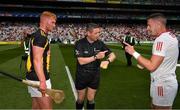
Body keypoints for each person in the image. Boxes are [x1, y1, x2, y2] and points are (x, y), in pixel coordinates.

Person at [124, 13, 178, 109]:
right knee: (153, 106)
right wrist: (145, 64)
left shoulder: (161, 40)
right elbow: (161, 59)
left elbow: (152, 66)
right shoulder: (171, 36)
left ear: (158, 24)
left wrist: (133, 52)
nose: (147, 28)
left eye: (149, 25)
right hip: (163, 81)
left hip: (162, 83)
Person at [74, 23, 116, 110]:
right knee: (80, 99)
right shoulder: (79, 43)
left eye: (99, 32)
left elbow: (113, 55)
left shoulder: (100, 43)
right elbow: (81, 61)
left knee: (91, 99)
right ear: (88, 33)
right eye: (96, 33)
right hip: (82, 75)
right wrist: (96, 57)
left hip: (95, 75)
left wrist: (107, 61)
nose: (98, 35)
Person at [26, 11, 56, 109]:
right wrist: (42, 81)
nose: (54, 25)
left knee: (36, 107)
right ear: (45, 21)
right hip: (38, 78)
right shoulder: (41, 37)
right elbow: (37, 60)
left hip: (34, 77)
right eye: (52, 22)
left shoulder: (38, 35)